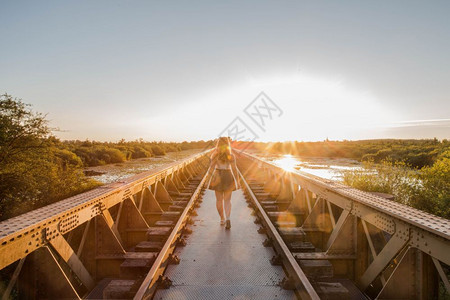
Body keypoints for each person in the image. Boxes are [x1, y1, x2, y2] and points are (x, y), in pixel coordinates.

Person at [207, 137, 240, 229]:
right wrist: (237, 181)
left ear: (218, 144)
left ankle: (222, 219)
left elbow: (211, 169)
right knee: (227, 200)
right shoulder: (231, 155)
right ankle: (228, 218)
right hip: (228, 176)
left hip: (217, 175)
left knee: (219, 200)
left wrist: (207, 181)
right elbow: (235, 169)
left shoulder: (215, 155)